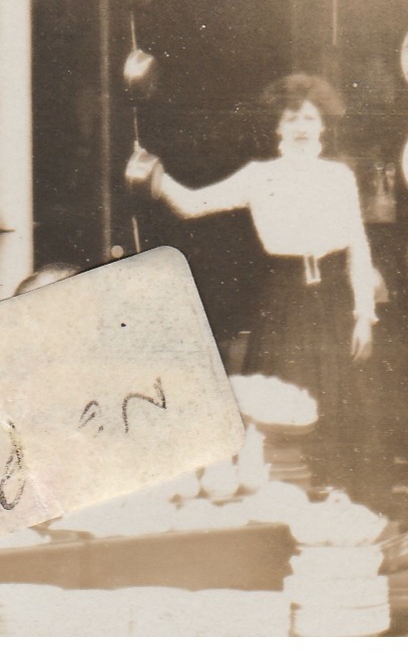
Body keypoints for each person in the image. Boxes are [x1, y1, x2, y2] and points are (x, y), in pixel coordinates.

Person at [126, 74, 379, 490]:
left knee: (336, 406)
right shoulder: (259, 176)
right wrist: (154, 173)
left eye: (310, 118)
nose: (301, 127)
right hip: (286, 301)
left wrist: (364, 315)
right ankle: (282, 504)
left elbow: (358, 247)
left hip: (334, 302)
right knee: (283, 403)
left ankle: (333, 502)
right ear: (278, 126)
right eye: (292, 117)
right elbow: (192, 205)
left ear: (323, 126)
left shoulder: (339, 177)